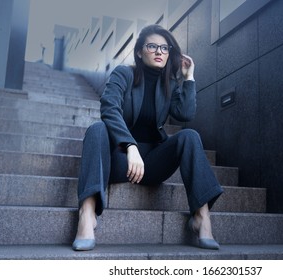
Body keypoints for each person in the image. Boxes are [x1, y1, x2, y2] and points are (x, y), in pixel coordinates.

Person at [72, 24, 223, 251]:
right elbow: (109, 107)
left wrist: (188, 78)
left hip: (152, 163)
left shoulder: (170, 84)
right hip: (120, 160)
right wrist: (130, 146)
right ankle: (87, 213)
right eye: (152, 46)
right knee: (97, 129)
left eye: (164, 47)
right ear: (140, 52)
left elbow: (185, 114)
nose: (159, 51)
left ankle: (202, 217)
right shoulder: (124, 74)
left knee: (189, 136)